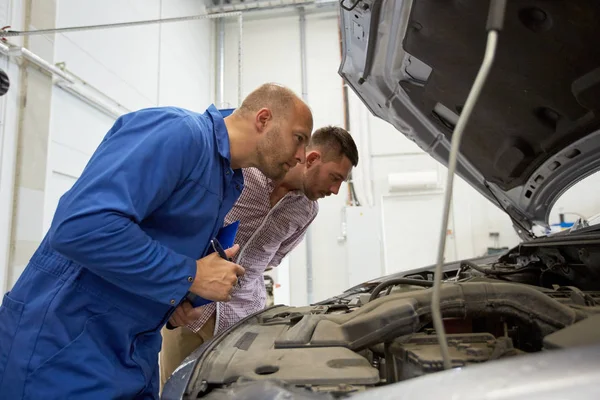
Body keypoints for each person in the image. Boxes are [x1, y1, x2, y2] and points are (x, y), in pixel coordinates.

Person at [0, 83, 313, 399]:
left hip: (132, 352)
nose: (303, 156)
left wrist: (182, 298)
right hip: (63, 347)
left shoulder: (228, 180)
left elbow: (153, 249)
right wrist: (191, 274)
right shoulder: (179, 133)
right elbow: (80, 227)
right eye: (299, 138)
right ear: (263, 119)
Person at [159, 125, 359, 389]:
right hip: (192, 311)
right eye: (335, 177)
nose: (335, 190)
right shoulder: (246, 173)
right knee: (178, 392)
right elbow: (184, 231)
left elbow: (275, 258)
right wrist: (176, 292)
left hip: (245, 322)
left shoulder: (306, 211)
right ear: (312, 159)